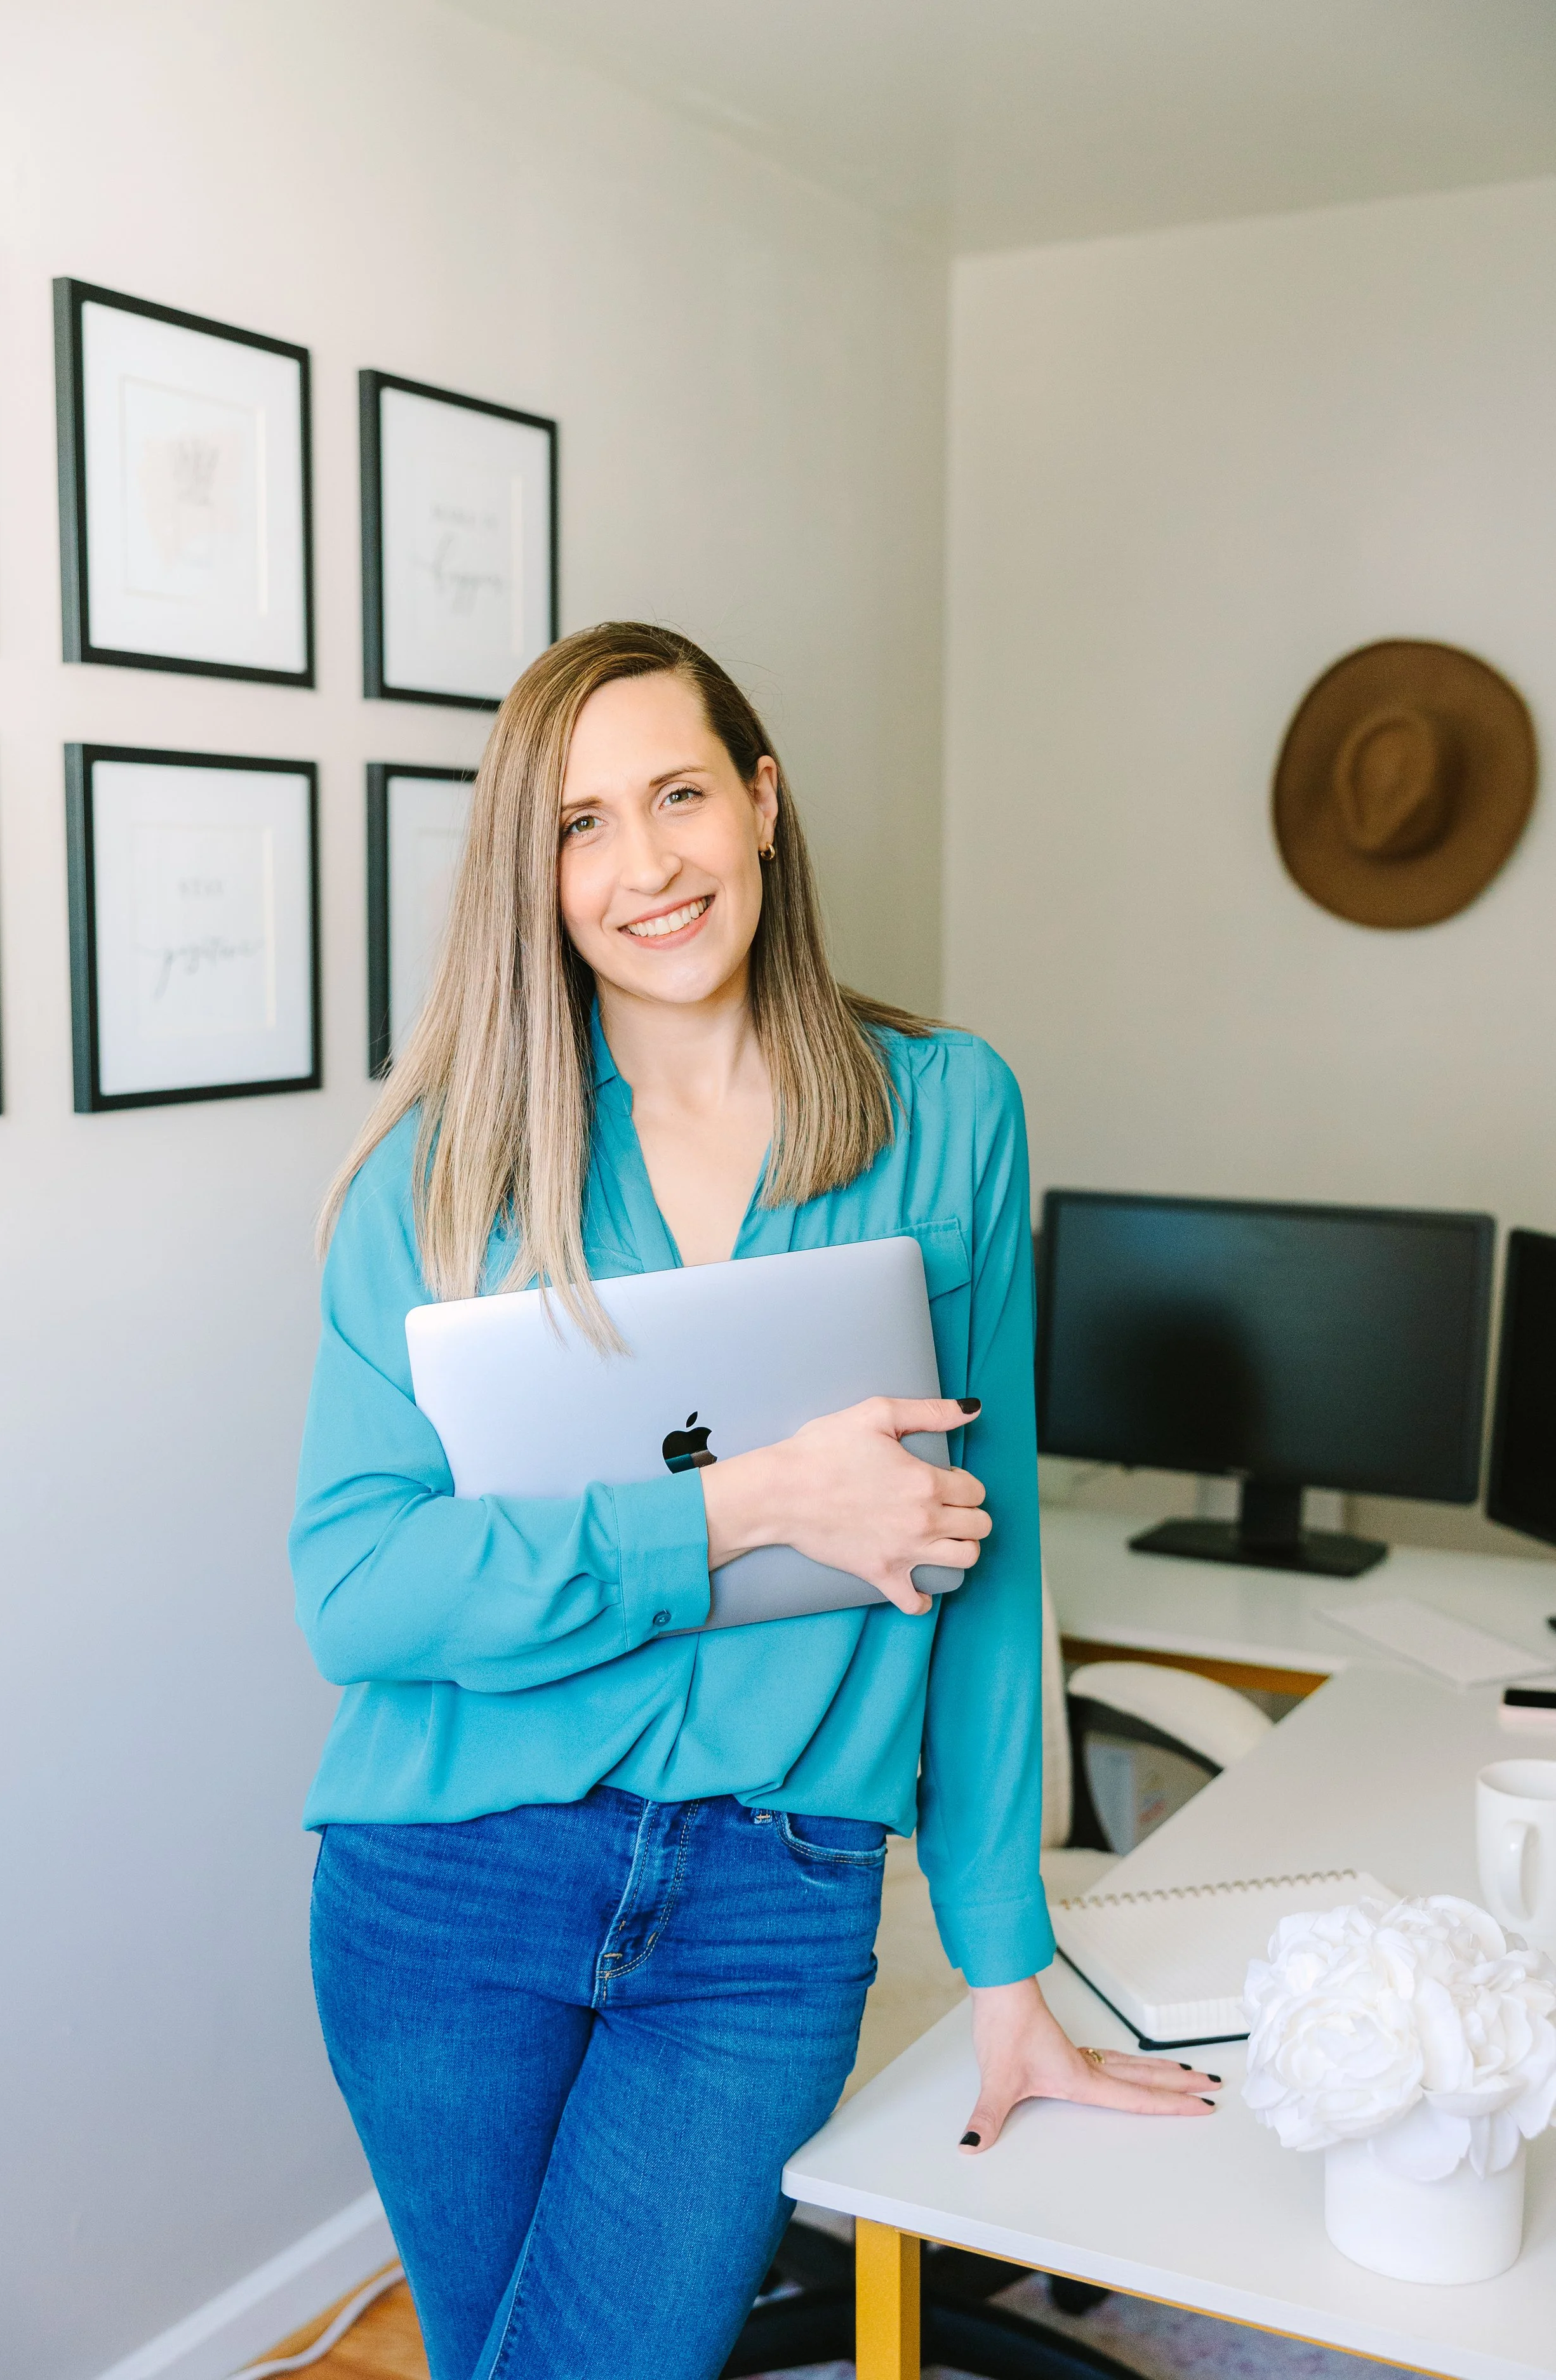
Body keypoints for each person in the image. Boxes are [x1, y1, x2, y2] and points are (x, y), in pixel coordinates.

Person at [292, 621, 1212, 2380]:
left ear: (762, 804)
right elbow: (357, 1589)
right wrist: (741, 1503)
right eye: (576, 823)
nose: (641, 864)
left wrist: (1002, 1962)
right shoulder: (433, 1174)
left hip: (768, 1899)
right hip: (446, 1882)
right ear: (530, 872)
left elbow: (991, 1556)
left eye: (676, 795)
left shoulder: (947, 1111)